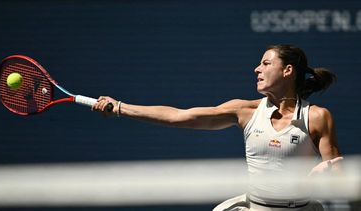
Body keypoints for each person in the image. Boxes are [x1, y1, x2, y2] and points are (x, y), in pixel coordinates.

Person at [92, 44, 342, 211]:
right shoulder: (245, 111)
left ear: (288, 70)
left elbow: (339, 176)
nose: (257, 69)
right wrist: (121, 107)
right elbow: (179, 116)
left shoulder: (317, 117)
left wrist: (327, 171)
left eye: (266, 64)